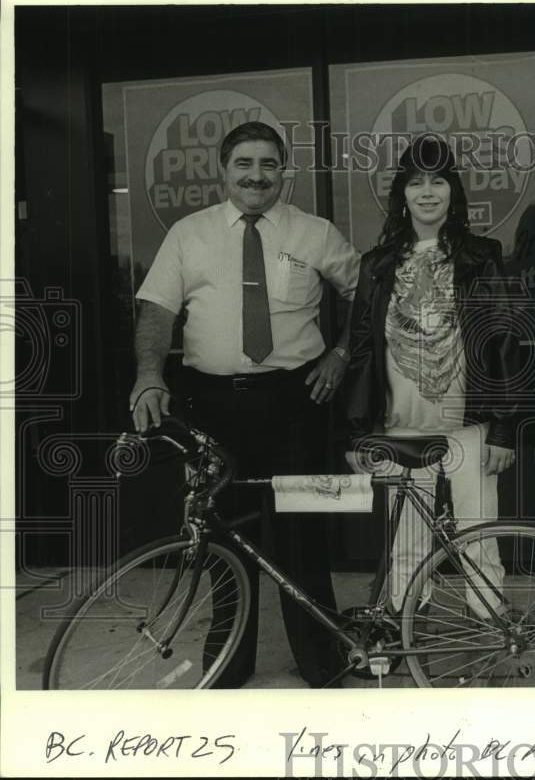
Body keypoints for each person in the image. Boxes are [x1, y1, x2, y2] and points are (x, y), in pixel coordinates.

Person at [129, 121, 361, 688]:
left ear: (284, 169)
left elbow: (367, 293)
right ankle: (230, 663)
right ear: (224, 170)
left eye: (268, 164)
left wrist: (342, 352)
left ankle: (320, 659)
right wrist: (148, 375)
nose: (256, 175)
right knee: (222, 532)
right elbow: (158, 312)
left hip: (297, 399)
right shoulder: (189, 234)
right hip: (213, 404)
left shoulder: (315, 232)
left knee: (304, 530)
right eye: (244, 164)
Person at [343, 133, 520, 615]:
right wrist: (360, 431)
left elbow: (499, 338)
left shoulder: (480, 255)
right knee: (406, 538)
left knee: (478, 533)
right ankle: (401, 622)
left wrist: (503, 426)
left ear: (453, 192)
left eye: (437, 181)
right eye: (416, 182)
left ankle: (489, 622)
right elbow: (362, 351)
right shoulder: (377, 265)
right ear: (401, 194)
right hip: (401, 427)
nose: (427, 192)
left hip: (468, 426)